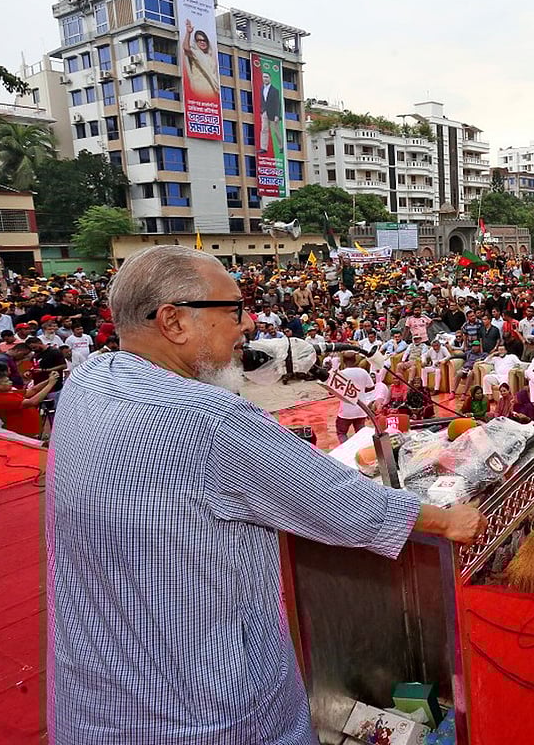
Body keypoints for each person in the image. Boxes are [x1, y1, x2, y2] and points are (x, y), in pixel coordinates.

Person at [46, 246, 486, 744]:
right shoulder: (210, 420)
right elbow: (342, 504)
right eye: (233, 309)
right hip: (208, 714)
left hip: (97, 705)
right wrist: (447, 520)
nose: (248, 324)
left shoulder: (86, 380)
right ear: (173, 321)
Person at [0, 369, 57, 437]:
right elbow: (32, 402)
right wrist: (51, 384)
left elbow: (33, 390)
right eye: (6, 381)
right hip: (24, 433)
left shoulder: (9, 393)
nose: (10, 382)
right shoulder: (1, 400)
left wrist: (48, 380)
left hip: (31, 431)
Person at [333, 350, 375, 439]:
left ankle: (345, 447)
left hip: (346, 411)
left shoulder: (341, 374)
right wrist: (360, 391)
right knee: (361, 434)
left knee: (341, 433)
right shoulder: (363, 372)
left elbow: (333, 391)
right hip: (361, 409)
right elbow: (371, 387)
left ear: (343, 361)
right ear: (356, 360)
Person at [258, 70, 285, 156]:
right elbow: (262, 100)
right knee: (264, 130)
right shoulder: (262, 88)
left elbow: (277, 103)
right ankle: (263, 148)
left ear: (270, 78)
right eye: (264, 77)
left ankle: (281, 147)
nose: (265, 79)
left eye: (266, 77)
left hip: (273, 114)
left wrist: (277, 115)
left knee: (276, 131)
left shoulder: (275, 90)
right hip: (264, 112)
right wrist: (261, 111)